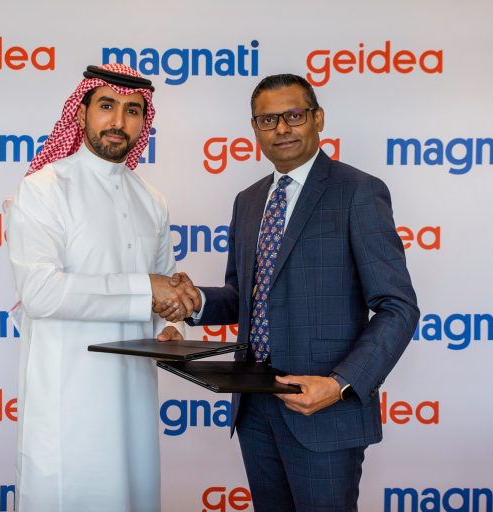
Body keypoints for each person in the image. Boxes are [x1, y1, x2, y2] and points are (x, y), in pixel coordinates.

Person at [156, 74, 419, 511]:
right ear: (255, 128)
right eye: (268, 120)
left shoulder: (358, 191)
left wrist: (339, 384)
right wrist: (196, 302)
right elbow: (245, 295)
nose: (281, 128)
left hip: (322, 410)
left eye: (294, 115)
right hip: (254, 408)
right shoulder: (248, 200)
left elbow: (398, 307)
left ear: (318, 119)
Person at [6, 63, 197, 512]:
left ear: (144, 122)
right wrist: (146, 290)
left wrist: (173, 324)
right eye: (106, 106)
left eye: (132, 110)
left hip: (133, 395)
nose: (118, 121)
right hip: (69, 395)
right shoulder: (44, 189)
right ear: (81, 113)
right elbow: (41, 293)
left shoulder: (151, 199)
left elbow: (164, 285)